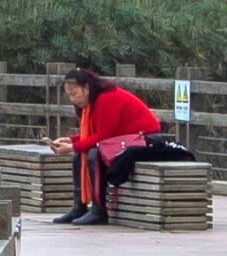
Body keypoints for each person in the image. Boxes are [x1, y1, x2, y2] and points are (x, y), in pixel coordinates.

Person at [60, 66, 194, 222]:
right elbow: (95, 134)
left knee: (93, 155)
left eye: (75, 94)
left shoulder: (105, 99)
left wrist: (73, 146)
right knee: (79, 155)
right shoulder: (91, 104)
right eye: (69, 96)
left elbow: (104, 135)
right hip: (124, 138)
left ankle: (98, 210)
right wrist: (71, 141)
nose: (73, 100)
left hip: (145, 139)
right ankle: (80, 206)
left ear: (87, 88)